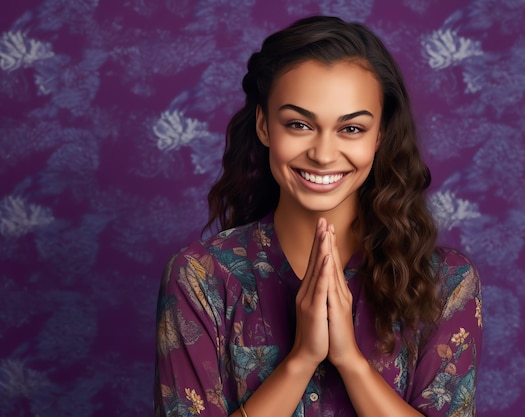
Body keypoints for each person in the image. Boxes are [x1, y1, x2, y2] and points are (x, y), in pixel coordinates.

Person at [154, 15, 482, 417]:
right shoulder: (200, 277)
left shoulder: (446, 283)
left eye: (352, 129)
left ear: (380, 135)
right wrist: (301, 360)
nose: (324, 154)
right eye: (299, 124)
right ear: (263, 125)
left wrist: (351, 362)